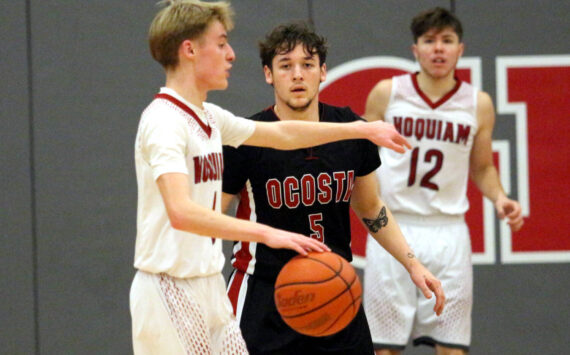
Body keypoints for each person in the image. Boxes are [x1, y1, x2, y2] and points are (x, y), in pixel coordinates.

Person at [130, 1, 414, 354]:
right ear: (189, 49)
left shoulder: (210, 118)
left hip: (205, 281)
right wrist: (269, 233)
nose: (231, 54)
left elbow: (283, 135)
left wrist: (363, 129)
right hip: (169, 286)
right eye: (221, 43)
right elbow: (181, 212)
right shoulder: (164, 122)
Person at [222, 22, 445, 355]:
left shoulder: (352, 130)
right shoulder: (246, 136)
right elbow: (209, 218)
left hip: (335, 288)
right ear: (269, 74)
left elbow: (370, 207)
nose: (297, 75)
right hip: (264, 292)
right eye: (285, 66)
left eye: (307, 65)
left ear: (323, 71)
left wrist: (412, 264)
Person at [362, 7, 525, 355]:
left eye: (447, 41)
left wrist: (500, 198)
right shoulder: (386, 94)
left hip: (449, 231)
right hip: (393, 227)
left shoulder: (478, 104)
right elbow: (361, 160)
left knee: (451, 348)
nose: (438, 49)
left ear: (460, 50)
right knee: (382, 348)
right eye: (429, 40)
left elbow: (482, 168)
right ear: (415, 49)